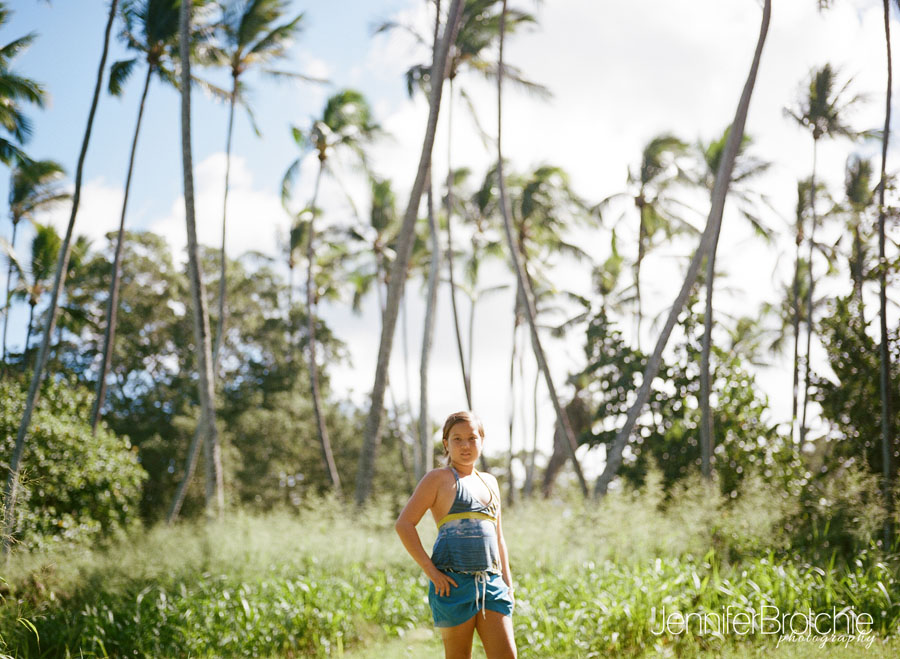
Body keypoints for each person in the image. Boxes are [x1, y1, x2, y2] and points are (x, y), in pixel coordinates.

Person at [395, 410, 517, 659]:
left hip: (492, 584)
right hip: (453, 585)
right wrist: (432, 573)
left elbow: (499, 537)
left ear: (482, 441)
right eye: (457, 439)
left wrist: (508, 584)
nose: (465, 445)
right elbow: (404, 524)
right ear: (446, 444)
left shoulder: (490, 482)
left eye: (472, 438)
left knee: (507, 656)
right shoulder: (438, 479)